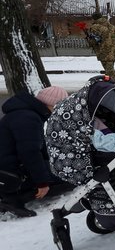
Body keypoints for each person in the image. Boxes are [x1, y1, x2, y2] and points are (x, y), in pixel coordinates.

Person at [0, 86, 72, 217]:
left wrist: (54, 160)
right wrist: (42, 182)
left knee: (58, 168)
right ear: (52, 105)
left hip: (8, 168)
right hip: (9, 173)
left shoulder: (25, 113)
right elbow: (30, 153)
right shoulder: (28, 118)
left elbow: (38, 146)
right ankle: (12, 199)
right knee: (66, 174)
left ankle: (11, 193)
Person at [84, 12, 115, 84]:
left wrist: (87, 38)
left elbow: (93, 41)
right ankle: (109, 87)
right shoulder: (112, 26)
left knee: (110, 73)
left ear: (94, 18)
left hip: (104, 53)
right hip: (113, 53)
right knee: (108, 72)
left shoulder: (95, 27)